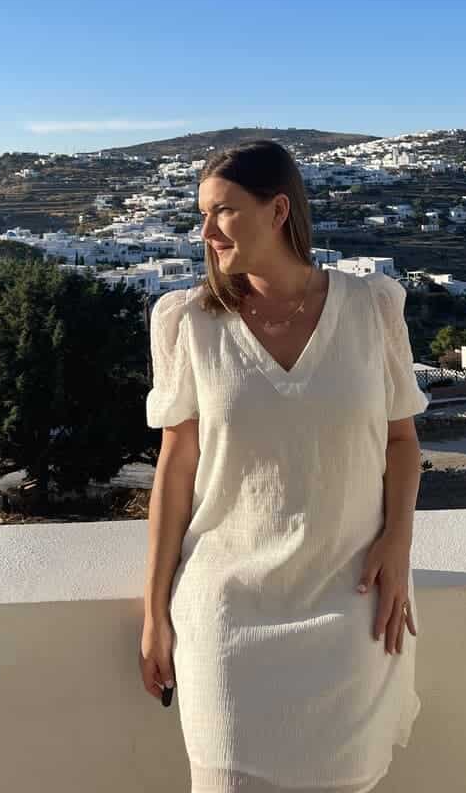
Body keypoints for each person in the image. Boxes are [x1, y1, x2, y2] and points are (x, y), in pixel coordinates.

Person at [140, 140, 429, 793]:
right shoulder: (188, 322)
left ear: (277, 211)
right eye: (202, 215)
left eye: (223, 212)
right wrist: (156, 612)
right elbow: (175, 469)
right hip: (226, 617)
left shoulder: (373, 307)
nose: (207, 232)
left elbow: (402, 441)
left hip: (347, 607)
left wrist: (397, 541)